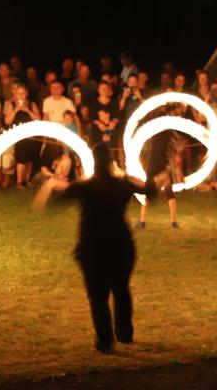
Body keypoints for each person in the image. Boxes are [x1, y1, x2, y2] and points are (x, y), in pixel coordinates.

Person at [63, 143, 155, 353]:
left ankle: (105, 340)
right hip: (121, 245)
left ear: (93, 162)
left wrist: (49, 185)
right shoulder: (122, 185)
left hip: (93, 247)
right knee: (121, 289)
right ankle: (124, 334)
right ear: (112, 161)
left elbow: (60, 197)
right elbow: (149, 192)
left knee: (98, 296)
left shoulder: (85, 187)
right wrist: (157, 176)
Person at [5, 84, 41, 189]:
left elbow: (38, 118)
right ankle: (19, 181)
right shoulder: (11, 104)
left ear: (26, 94)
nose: (20, 95)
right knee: (21, 158)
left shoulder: (31, 104)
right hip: (18, 135)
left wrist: (28, 111)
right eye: (18, 93)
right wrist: (16, 109)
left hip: (31, 134)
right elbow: (7, 121)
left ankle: (27, 179)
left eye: (22, 93)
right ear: (15, 95)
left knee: (30, 158)